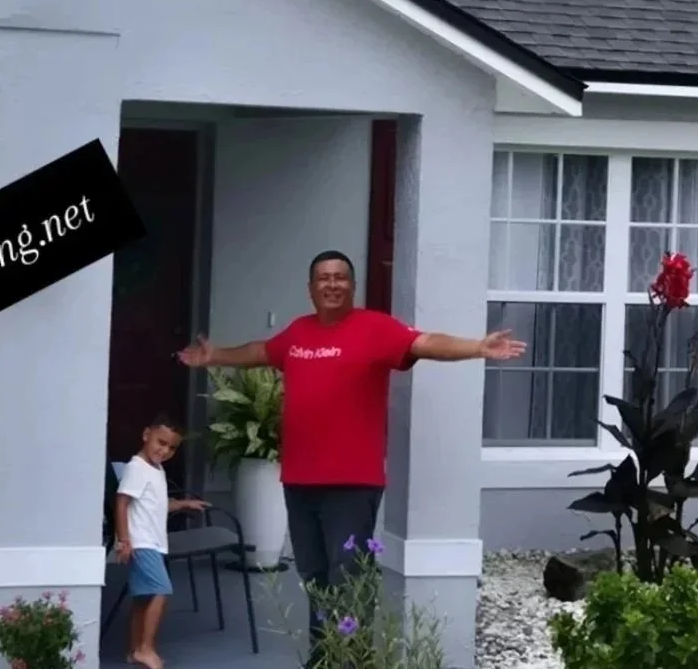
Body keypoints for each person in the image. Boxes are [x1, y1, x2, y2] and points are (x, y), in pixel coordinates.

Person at [177, 249, 525, 667]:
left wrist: (476, 347)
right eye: (323, 277)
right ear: (310, 289)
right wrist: (215, 356)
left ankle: (352, 660)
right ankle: (325, 658)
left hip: (351, 484)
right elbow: (262, 351)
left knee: (348, 579)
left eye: (340, 277)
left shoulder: (374, 329)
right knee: (315, 577)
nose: (332, 284)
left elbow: (426, 342)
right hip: (300, 481)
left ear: (352, 286)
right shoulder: (298, 333)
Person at [113, 414, 209, 669]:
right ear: (146, 435)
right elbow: (122, 502)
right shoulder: (137, 468)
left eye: (172, 447)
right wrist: (124, 540)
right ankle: (146, 648)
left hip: (153, 543)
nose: (165, 450)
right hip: (141, 542)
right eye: (160, 442)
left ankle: (133, 650)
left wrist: (184, 503)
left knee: (142, 598)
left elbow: (155, 505)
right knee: (161, 591)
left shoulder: (156, 469)